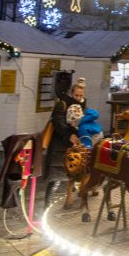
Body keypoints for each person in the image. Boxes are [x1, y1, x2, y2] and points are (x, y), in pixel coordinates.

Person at [44, 78, 85, 215]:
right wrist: (69, 135)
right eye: (76, 95)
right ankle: (47, 205)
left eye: (81, 96)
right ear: (71, 93)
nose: (78, 98)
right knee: (55, 176)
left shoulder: (83, 106)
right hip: (60, 143)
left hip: (74, 144)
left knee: (74, 173)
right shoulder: (62, 104)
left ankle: (70, 198)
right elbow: (58, 122)